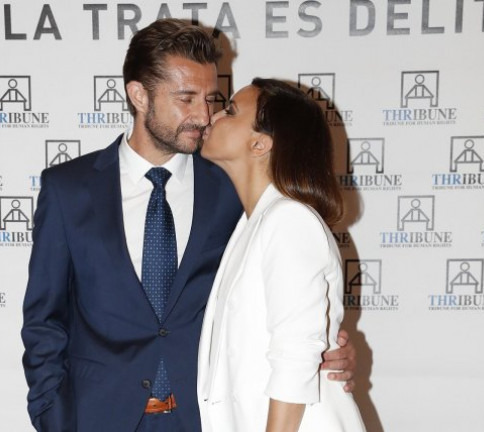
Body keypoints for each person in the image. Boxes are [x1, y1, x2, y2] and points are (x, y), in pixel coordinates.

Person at [21, 19, 356, 432]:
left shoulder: (234, 189)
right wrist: (54, 419)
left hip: (206, 419)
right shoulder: (68, 190)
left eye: (212, 99)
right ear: (139, 95)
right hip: (99, 417)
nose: (204, 115)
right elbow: (44, 322)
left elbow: (287, 311)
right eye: (186, 98)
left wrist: (324, 350)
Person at [197, 78, 366, 431]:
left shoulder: (289, 219)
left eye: (229, 111)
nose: (212, 117)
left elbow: (295, 356)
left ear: (259, 143)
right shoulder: (254, 224)